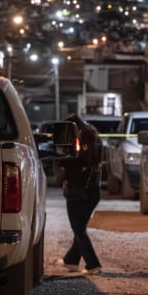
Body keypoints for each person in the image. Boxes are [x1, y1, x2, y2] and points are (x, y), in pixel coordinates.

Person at [58, 114, 103, 275]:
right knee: (80, 228)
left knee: (78, 229)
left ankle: (93, 264)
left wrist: (61, 158)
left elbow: (71, 165)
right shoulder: (94, 138)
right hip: (93, 191)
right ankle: (71, 260)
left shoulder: (76, 144)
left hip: (77, 190)